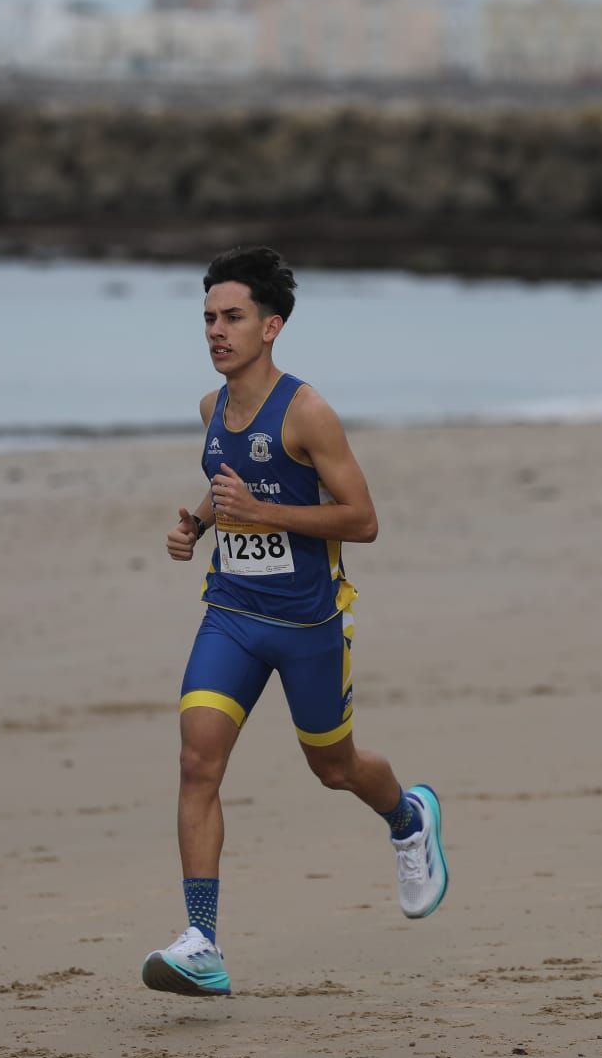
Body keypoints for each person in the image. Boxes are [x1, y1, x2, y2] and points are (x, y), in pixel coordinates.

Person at [142, 245, 448, 998]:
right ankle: (201, 943)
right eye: (208, 317)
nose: (216, 331)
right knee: (196, 763)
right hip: (233, 617)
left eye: (233, 317)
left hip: (311, 626)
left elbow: (364, 522)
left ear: (271, 326)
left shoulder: (309, 413)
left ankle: (408, 817)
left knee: (334, 768)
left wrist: (261, 512)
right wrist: (200, 526)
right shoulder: (212, 410)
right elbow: (227, 489)